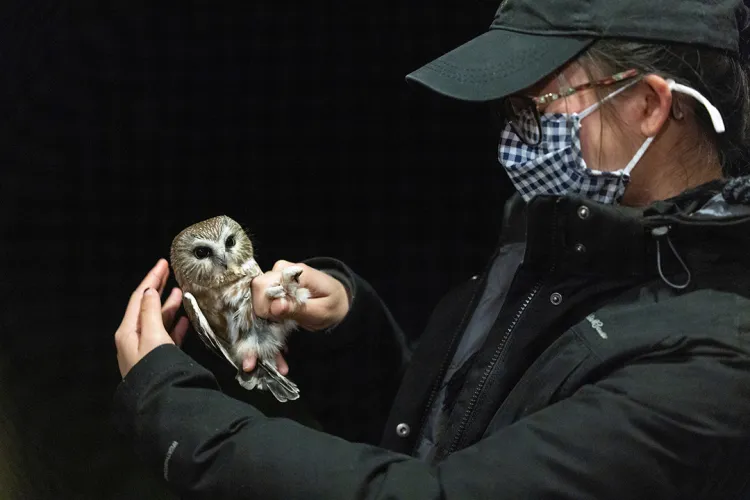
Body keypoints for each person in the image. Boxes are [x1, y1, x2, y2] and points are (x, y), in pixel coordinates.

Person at [113, 0, 750, 497]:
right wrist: (347, 332)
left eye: (538, 103)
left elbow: (440, 493)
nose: (514, 134)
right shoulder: (549, 237)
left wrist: (178, 420)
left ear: (647, 104)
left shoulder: (714, 360)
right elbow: (448, 431)